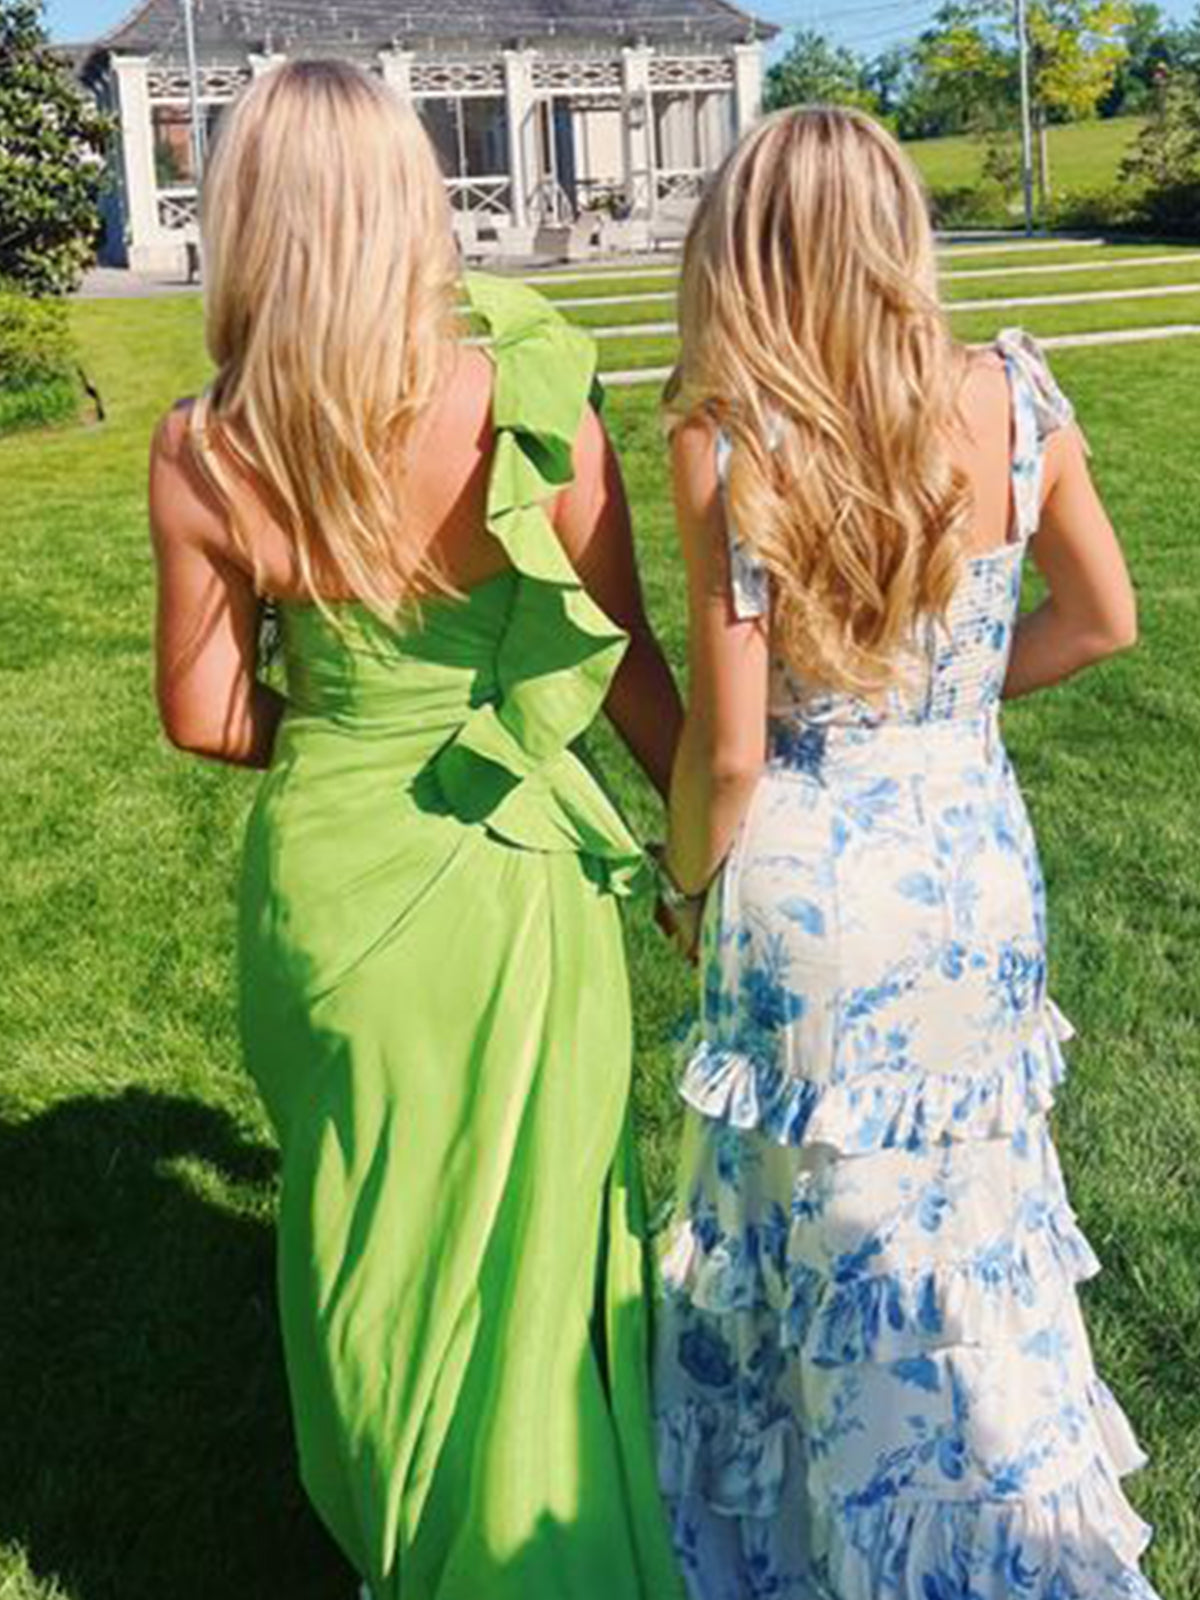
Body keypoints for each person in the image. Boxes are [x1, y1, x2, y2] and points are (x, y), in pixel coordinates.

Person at [148, 59, 686, 1600]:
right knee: (536, 1259)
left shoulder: (202, 446)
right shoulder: (527, 396)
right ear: (410, 203)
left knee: (368, 1249)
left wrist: (347, 728)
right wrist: (708, 851)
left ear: (250, 219)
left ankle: (408, 1549)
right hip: (511, 878)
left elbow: (203, 714)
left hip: (331, 890)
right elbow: (623, 661)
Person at [651, 106, 1154, 1600]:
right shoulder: (1016, 396)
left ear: (745, 252)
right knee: (972, 1228)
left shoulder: (727, 439)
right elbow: (1104, 619)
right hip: (973, 870)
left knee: (809, 1242)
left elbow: (729, 749)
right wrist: (944, 708)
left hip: (812, 889)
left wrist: (683, 884)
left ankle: (823, 1552)